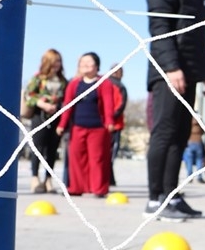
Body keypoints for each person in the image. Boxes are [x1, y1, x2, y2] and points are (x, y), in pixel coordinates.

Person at [144, 0, 205, 221]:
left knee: (182, 135)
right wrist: (171, 67)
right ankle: (154, 200)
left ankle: (170, 196)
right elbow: (159, 28)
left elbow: (201, 37)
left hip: (190, 72)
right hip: (168, 71)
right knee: (164, 132)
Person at [55, 53, 115, 197]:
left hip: (98, 128)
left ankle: (99, 189)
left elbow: (108, 104)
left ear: (97, 65)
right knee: (75, 157)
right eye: (82, 62)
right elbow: (67, 105)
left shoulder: (104, 83)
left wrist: (109, 121)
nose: (85, 64)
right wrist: (62, 124)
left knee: (97, 158)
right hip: (77, 127)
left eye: (89, 62)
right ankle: (76, 187)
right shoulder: (74, 84)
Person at [23, 48, 67, 193]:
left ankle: (48, 179)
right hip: (39, 116)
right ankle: (35, 178)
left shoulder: (63, 81)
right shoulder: (38, 78)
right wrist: (43, 104)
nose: (57, 64)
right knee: (37, 148)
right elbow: (29, 94)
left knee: (52, 149)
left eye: (59, 61)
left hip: (56, 118)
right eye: (54, 61)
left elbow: (67, 98)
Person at [108, 66, 127, 187]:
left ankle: (110, 178)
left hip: (108, 123)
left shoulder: (104, 83)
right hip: (114, 124)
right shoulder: (119, 86)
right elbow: (121, 105)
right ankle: (108, 178)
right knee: (111, 153)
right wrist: (111, 117)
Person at [182, 118, 205, 183]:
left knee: (189, 161)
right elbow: (203, 131)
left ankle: (189, 176)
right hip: (198, 142)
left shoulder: (188, 120)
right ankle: (199, 177)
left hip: (190, 142)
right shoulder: (199, 121)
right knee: (199, 160)